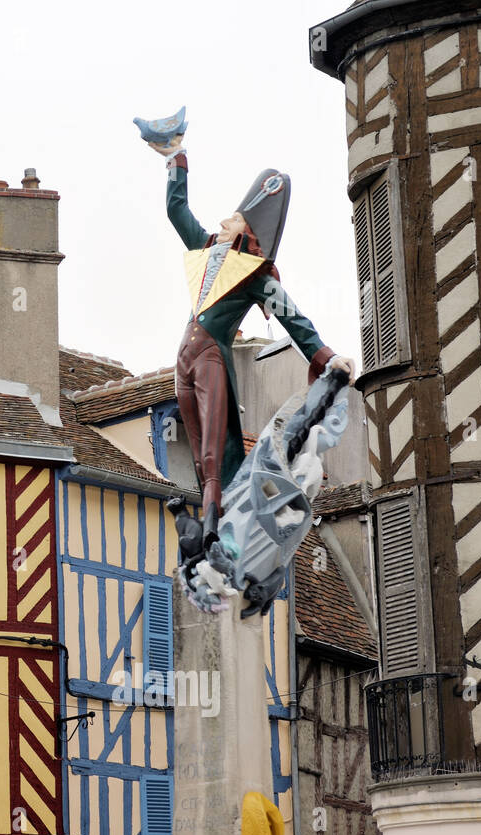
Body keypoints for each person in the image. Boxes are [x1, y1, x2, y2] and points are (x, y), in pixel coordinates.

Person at [147, 134, 355, 541]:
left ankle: (213, 525)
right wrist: (176, 158)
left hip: (210, 356)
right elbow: (176, 210)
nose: (223, 222)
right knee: (198, 448)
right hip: (184, 362)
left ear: (248, 229)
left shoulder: (255, 273)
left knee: (214, 447)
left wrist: (327, 358)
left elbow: (293, 319)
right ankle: (210, 521)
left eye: (234, 218)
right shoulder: (207, 250)